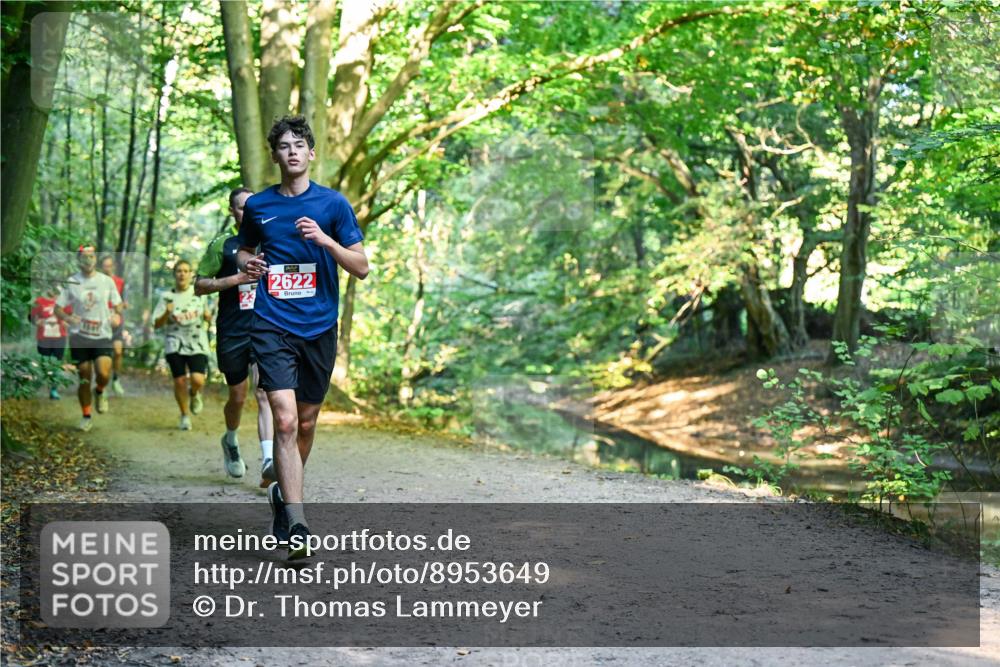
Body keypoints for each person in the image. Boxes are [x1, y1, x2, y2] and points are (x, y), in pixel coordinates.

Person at [237, 115, 368, 559]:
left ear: (311, 154)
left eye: (299, 145)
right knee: (286, 421)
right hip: (272, 323)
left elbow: (362, 266)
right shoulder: (259, 206)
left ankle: (282, 496)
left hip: (318, 327)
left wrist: (327, 242)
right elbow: (244, 247)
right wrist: (248, 265)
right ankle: (298, 522)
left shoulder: (333, 205)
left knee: (307, 423)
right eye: (284, 146)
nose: (292, 152)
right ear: (275, 156)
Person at [195, 186, 275, 482]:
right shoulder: (223, 245)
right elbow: (199, 285)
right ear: (232, 211)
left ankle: (269, 462)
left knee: (265, 392)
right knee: (238, 397)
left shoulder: (274, 239)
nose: (249, 211)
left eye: (253, 205)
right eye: (242, 207)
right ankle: (230, 439)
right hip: (232, 330)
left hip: (266, 328)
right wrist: (237, 279)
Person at [54, 245, 123, 431]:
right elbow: (57, 308)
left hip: (102, 335)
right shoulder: (72, 282)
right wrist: (68, 318)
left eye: (91, 256)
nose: (88, 260)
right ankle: (86, 415)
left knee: (103, 373)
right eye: (84, 257)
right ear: (79, 260)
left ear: (95, 259)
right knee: (84, 376)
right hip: (79, 337)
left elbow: (118, 304)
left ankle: (100, 391)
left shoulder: (106, 281)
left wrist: (116, 316)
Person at [152, 260, 212, 431]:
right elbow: (156, 324)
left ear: (191, 274)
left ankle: (194, 393)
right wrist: (167, 312)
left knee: (197, 379)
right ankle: (185, 415)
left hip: (196, 342)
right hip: (174, 342)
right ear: (175, 274)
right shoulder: (167, 296)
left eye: (186, 271)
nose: (182, 274)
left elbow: (208, 314)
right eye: (179, 271)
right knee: (179, 381)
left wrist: (208, 316)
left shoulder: (199, 293)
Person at [31, 284, 69, 400]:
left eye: (57, 290)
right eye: (53, 289)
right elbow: (32, 316)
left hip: (59, 337)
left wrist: (67, 323)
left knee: (56, 364)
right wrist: (37, 322)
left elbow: (70, 317)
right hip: (44, 337)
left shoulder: (64, 303)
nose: (55, 292)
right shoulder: (39, 301)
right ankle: (40, 384)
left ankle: (53, 390)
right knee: (44, 363)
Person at [100, 255, 127, 396]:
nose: (107, 269)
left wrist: (120, 308)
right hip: (102, 322)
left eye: (109, 266)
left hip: (116, 321)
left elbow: (123, 302)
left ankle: (116, 379)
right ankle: (102, 384)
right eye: (104, 266)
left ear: (113, 267)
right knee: (103, 355)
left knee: (117, 351)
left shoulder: (120, 282)